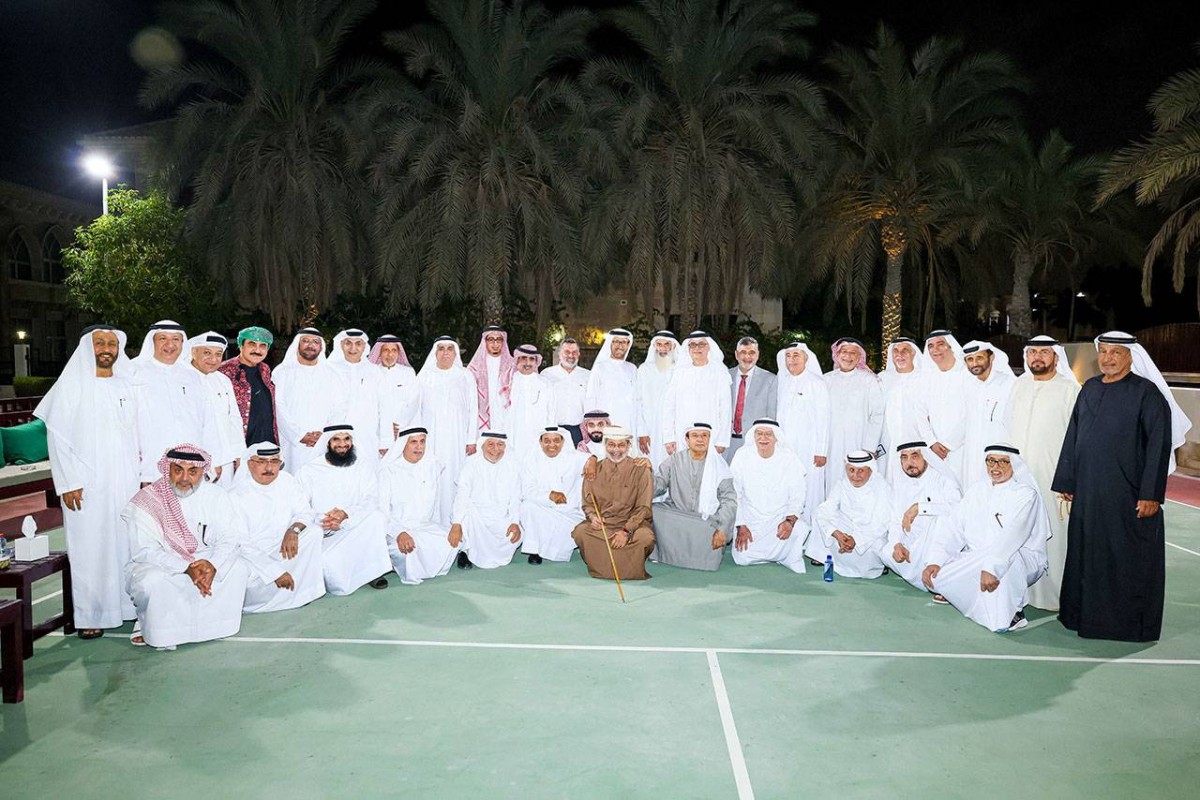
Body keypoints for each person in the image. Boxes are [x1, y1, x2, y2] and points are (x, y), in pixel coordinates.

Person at [1052, 332, 1187, 642]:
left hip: (1127, 493)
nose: (1108, 358)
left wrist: (1151, 494)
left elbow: (1158, 446)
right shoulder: (1090, 388)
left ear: (1130, 357)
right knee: (1086, 553)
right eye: (1103, 352)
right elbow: (1074, 436)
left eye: (1116, 352)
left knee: (1123, 559)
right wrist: (1068, 480)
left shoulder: (1147, 394)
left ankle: (1121, 625)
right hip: (1089, 492)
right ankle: (1081, 617)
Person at [35, 325, 140, 639]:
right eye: (100, 343)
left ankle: (127, 608)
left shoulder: (127, 384)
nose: (106, 349)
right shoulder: (71, 385)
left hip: (126, 481)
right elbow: (57, 438)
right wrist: (68, 482)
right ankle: (91, 615)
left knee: (126, 543)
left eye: (112, 343)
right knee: (90, 547)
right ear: (87, 348)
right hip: (86, 483)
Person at [123, 445, 250, 651]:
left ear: (202, 471)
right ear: (168, 469)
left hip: (205, 559)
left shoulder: (216, 495)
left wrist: (212, 564)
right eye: (178, 470)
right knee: (150, 581)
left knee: (239, 568)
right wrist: (185, 567)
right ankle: (150, 625)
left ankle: (210, 627)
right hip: (161, 563)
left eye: (193, 471)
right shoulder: (148, 500)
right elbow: (145, 550)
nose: (184, 478)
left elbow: (229, 537)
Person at [924, 445, 1049, 633]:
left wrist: (992, 567)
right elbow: (953, 527)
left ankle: (1013, 613)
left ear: (1014, 465)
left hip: (1017, 559)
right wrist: (936, 560)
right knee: (937, 577)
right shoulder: (977, 491)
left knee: (1007, 564)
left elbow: (1013, 536)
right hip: (977, 559)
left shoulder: (1025, 494)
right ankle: (976, 592)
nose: (995, 467)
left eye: (1003, 462)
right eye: (991, 461)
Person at [1009, 336, 1080, 611]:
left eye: (1044, 352)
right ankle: (1021, 591)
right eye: (1033, 352)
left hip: (1053, 478)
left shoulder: (1069, 390)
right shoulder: (1020, 385)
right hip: (1018, 477)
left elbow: (1078, 438)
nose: (1037, 357)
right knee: (1019, 533)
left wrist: (1070, 477)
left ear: (1056, 357)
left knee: (1055, 537)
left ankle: (1056, 596)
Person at [228, 442, 325, 613]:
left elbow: (305, 512)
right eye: (261, 462)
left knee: (314, 532)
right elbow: (240, 543)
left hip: (283, 549)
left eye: (274, 461)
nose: (269, 468)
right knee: (239, 567)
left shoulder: (286, 481)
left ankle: (302, 594)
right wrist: (274, 571)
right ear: (250, 464)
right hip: (255, 562)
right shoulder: (235, 495)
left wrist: (293, 530)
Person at [296, 425, 392, 594]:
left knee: (377, 517)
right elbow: (301, 507)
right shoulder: (308, 470)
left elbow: (371, 499)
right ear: (327, 442)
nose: (342, 444)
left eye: (347, 439)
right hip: (326, 532)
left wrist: (346, 515)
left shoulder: (362, 467)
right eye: (336, 439)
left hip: (354, 526)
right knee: (328, 561)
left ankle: (373, 573)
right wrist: (325, 520)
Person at [128, 320, 220, 484]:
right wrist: (142, 472)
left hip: (191, 463)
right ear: (152, 341)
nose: (170, 344)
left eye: (176, 339)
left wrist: (215, 459)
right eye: (163, 338)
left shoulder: (192, 375)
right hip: (150, 466)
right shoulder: (133, 371)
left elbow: (208, 421)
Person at [378, 426, 460, 585]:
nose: (419, 446)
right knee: (410, 552)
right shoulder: (388, 471)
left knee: (452, 541)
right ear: (403, 444)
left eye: (422, 441)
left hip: (424, 527)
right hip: (396, 530)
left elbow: (434, 506)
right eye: (413, 442)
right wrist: (399, 533)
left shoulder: (431, 466)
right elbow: (382, 512)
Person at [651, 423, 738, 571]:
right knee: (652, 511)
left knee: (714, 527)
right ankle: (663, 555)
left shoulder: (719, 465)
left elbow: (729, 500)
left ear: (710, 439)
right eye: (695, 436)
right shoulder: (674, 460)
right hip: (677, 512)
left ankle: (699, 560)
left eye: (704, 435)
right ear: (687, 439)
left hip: (704, 519)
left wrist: (723, 529)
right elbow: (658, 485)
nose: (700, 439)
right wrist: (646, 473)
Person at [573, 426, 656, 580]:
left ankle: (623, 568)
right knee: (581, 531)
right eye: (611, 445)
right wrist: (593, 517)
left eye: (621, 445)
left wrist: (626, 531)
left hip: (633, 525)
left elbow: (643, 507)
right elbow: (588, 503)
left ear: (629, 446)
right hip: (604, 525)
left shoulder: (641, 470)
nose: (616, 450)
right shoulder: (594, 469)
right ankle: (603, 567)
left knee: (645, 537)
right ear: (605, 445)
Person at [881, 441, 962, 593]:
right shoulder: (901, 483)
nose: (909, 463)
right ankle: (929, 577)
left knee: (941, 519)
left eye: (914, 456)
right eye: (904, 458)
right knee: (885, 552)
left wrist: (920, 507)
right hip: (912, 543)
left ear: (925, 456)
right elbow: (895, 520)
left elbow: (956, 508)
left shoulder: (942, 478)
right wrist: (897, 544)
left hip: (934, 543)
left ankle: (936, 573)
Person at [729, 419, 808, 573]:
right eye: (759, 433)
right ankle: (779, 555)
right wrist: (740, 525)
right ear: (753, 436)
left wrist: (789, 521)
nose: (763, 438)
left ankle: (788, 558)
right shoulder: (742, 456)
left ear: (776, 437)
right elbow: (734, 493)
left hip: (779, 519)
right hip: (751, 520)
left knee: (800, 529)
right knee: (742, 558)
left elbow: (798, 494)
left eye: (768, 434)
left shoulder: (789, 458)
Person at [416, 336, 478, 516]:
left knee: (455, 476)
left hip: (457, 438)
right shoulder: (424, 376)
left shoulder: (465, 375)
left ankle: (455, 519)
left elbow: (473, 408)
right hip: (430, 437)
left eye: (449, 349)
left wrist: (471, 440)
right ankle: (432, 519)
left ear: (455, 353)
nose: (445, 353)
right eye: (441, 349)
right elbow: (415, 407)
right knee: (431, 476)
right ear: (435, 353)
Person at [273, 328, 348, 474]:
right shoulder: (282, 372)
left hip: (324, 441)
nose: (310, 345)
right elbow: (278, 407)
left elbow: (340, 408)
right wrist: (299, 435)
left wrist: (325, 434)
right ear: (297, 344)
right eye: (305, 341)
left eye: (315, 342)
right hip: (292, 442)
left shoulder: (332, 374)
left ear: (321, 346)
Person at [805, 451, 891, 578]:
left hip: (868, 535)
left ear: (870, 470)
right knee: (818, 514)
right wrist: (836, 533)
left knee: (878, 543)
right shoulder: (842, 484)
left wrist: (856, 540)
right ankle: (823, 556)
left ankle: (872, 565)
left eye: (861, 471)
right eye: (851, 470)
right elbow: (825, 509)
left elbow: (881, 523)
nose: (855, 476)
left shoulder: (882, 487)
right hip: (845, 531)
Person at [775, 342, 830, 523]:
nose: (792, 360)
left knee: (809, 488)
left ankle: (809, 528)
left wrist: (821, 451)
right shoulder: (783, 382)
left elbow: (823, 419)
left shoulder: (816, 383)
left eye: (796, 356)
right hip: (785, 448)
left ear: (806, 358)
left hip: (809, 449)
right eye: (788, 356)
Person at [450, 431, 523, 569]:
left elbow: (515, 498)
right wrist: (456, 523)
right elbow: (462, 496)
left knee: (517, 535)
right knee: (465, 518)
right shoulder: (471, 464)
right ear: (482, 446)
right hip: (475, 515)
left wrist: (514, 522)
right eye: (490, 444)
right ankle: (464, 552)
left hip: (500, 515)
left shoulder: (512, 466)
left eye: (500, 444)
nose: (496, 449)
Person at [520, 426, 590, 564]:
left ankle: (553, 550)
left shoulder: (573, 457)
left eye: (556, 440)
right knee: (526, 507)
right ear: (540, 442)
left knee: (575, 527)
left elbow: (590, 457)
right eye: (547, 441)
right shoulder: (531, 459)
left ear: (563, 442)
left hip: (569, 512)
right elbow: (527, 490)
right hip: (543, 507)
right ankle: (535, 550)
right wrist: (549, 495)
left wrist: (592, 462)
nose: (551, 445)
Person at [823, 337, 884, 491]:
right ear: (837, 354)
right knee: (832, 483)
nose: (848, 356)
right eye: (844, 352)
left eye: (853, 353)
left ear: (859, 357)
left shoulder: (869, 380)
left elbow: (877, 414)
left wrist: (869, 447)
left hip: (859, 442)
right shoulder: (826, 380)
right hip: (831, 444)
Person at [660, 331, 732, 456]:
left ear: (709, 347)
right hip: (682, 435)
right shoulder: (679, 373)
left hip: (712, 435)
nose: (697, 348)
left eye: (701, 344)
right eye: (693, 345)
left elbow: (725, 408)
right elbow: (669, 406)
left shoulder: (719, 372)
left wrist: (722, 440)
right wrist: (669, 437)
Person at [188, 332, 246, 484]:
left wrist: (239, 454)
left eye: (218, 354)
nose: (213, 359)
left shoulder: (223, 380)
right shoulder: (183, 380)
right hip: (195, 459)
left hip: (226, 457)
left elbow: (234, 418)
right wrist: (208, 459)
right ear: (193, 352)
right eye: (207, 353)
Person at [960, 341, 1017, 488]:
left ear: (991, 358)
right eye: (970, 359)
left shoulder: (1008, 383)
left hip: (999, 452)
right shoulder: (967, 384)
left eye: (979, 358)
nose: (974, 363)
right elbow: (965, 419)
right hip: (972, 451)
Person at [915, 330, 969, 483]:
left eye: (940, 344)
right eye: (931, 346)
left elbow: (971, 413)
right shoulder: (927, 378)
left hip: (962, 447)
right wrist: (931, 442)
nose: (935, 349)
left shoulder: (966, 375)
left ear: (951, 346)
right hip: (934, 449)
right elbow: (920, 412)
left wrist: (949, 444)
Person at [327, 329, 385, 464]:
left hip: (367, 433)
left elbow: (384, 407)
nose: (353, 348)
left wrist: (385, 439)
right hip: (336, 433)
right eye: (348, 343)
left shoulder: (374, 371)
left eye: (358, 343)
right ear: (341, 345)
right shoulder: (329, 369)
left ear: (364, 346)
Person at [218, 325, 279, 447]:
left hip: (267, 444)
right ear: (241, 345)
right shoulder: (224, 371)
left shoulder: (265, 369)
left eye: (263, 346)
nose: (257, 350)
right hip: (239, 445)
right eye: (252, 344)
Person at [878, 337, 925, 479]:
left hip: (918, 439)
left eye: (905, 350)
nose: (900, 354)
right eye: (896, 351)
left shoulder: (924, 378)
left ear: (913, 353)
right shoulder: (882, 378)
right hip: (888, 440)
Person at [725, 337, 777, 462]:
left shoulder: (770, 380)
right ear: (736, 355)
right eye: (743, 352)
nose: (747, 356)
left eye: (752, 353)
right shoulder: (725, 376)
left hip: (754, 443)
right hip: (726, 442)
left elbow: (772, 415)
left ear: (757, 354)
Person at [636, 331, 679, 465]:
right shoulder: (644, 370)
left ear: (674, 346)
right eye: (659, 344)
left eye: (667, 344)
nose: (663, 348)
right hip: (650, 428)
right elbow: (638, 402)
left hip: (675, 429)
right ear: (654, 347)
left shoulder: (681, 370)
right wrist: (642, 432)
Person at [586, 328, 639, 435]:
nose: (620, 345)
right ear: (610, 343)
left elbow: (638, 399)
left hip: (629, 424)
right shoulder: (600, 368)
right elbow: (591, 397)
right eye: (616, 341)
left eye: (623, 342)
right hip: (606, 424)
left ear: (628, 345)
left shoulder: (632, 368)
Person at [506, 345, 555, 461]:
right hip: (513, 436)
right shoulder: (508, 382)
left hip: (538, 435)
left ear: (536, 362)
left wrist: (550, 435)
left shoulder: (545, 383)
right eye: (523, 358)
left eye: (532, 359)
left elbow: (552, 412)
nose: (528, 363)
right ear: (517, 360)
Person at [370, 334, 421, 443]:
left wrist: (400, 424)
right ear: (379, 353)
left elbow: (414, 401)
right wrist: (384, 429)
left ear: (398, 353)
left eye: (394, 350)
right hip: (377, 433)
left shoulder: (408, 373)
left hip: (403, 430)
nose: (390, 354)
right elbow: (369, 405)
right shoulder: (371, 374)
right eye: (386, 350)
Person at [541, 337, 590, 447]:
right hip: (554, 430)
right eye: (567, 352)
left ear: (579, 354)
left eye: (574, 352)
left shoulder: (588, 376)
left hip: (579, 431)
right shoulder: (546, 374)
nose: (571, 355)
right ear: (559, 353)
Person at [467, 326, 515, 433]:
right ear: (485, 342)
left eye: (499, 340)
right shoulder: (475, 366)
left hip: (504, 411)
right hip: (481, 412)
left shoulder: (512, 365)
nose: (495, 344)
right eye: (491, 340)